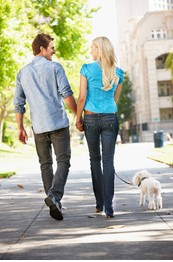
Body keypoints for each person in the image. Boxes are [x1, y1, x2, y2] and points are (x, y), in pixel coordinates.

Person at [14, 33, 77, 221]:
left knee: (45, 164)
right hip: (57, 123)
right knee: (63, 161)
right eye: (51, 47)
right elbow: (66, 94)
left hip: (39, 126)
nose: (54, 51)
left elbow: (19, 104)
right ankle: (54, 196)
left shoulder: (22, 73)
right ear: (41, 49)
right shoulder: (55, 67)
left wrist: (20, 128)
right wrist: (78, 116)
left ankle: (54, 202)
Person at [76, 36, 124, 218]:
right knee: (108, 161)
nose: (90, 51)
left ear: (98, 49)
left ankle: (99, 204)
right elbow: (114, 100)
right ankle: (109, 207)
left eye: (92, 48)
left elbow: (81, 97)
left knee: (95, 160)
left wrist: (78, 118)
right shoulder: (118, 73)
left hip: (90, 119)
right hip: (110, 118)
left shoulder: (87, 69)